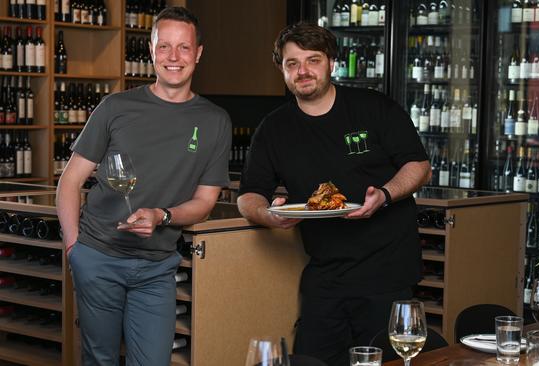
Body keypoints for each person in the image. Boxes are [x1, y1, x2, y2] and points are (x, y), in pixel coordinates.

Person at [237, 22, 431, 366]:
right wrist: (267, 214)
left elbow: (418, 166)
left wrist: (384, 195)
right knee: (310, 360)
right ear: (281, 69)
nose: (303, 71)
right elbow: (249, 194)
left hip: (386, 274)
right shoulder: (274, 129)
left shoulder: (374, 108)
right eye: (292, 63)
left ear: (331, 63)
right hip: (324, 277)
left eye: (313, 60)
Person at [56, 7, 231, 365]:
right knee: (100, 358)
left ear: (198, 53)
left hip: (157, 267)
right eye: (164, 46)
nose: (173, 57)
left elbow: (204, 201)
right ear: (151, 50)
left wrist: (162, 215)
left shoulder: (214, 121)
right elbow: (70, 181)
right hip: (98, 256)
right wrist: (75, 247)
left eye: (183, 47)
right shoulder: (115, 108)